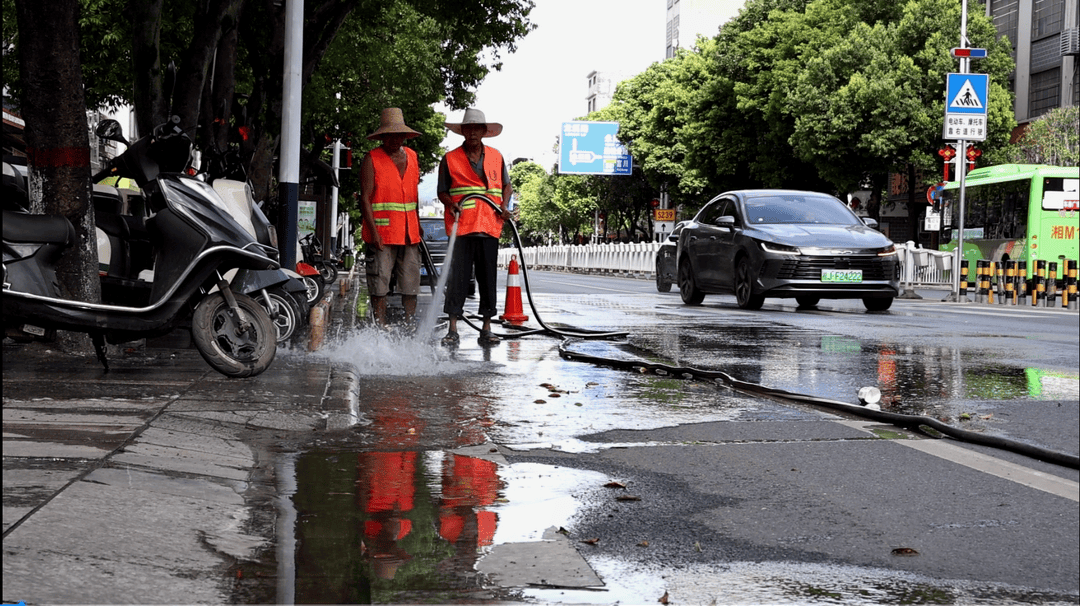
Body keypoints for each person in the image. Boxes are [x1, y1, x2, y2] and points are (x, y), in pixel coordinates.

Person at [438, 108, 513, 346]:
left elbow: (506, 187)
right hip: (462, 227)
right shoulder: (450, 158)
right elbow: (443, 191)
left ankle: (487, 327)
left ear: (483, 132)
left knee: (487, 279)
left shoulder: (496, 156)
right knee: (458, 279)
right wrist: (451, 204)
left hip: (490, 225)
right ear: (462, 131)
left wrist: (504, 204)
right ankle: (452, 329)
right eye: (468, 129)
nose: (472, 133)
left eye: (476, 129)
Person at [359, 108, 423, 328]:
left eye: (399, 135)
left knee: (411, 283)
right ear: (382, 136)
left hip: (409, 233)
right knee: (380, 283)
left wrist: (419, 225)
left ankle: (410, 323)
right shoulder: (372, 159)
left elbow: (413, 196)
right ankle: (380, 326)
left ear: (404, 136)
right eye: (390, 135)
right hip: (383, 235)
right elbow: (365, 199)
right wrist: (374, 232)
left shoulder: (413, 157)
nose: (395, 139)